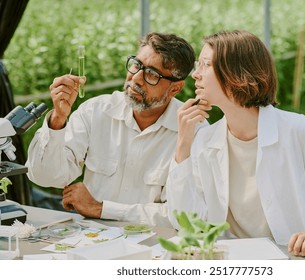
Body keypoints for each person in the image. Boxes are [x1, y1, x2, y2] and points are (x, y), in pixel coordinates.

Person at [166, 30, 305, 256]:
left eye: (206, 64)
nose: (196, 74)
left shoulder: (299, 131)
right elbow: (185, 221)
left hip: (295, 264)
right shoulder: (205, 140)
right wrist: (183, 144)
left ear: (237, 73)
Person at [26, 32, 197, 227]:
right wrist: (58, 119)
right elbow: (44, 176)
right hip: (91, 240)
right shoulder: (96, 111)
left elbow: (182, 215)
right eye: (136, 65)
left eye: (151, 74)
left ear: (175, 88)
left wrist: (101, 209)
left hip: (154, 248)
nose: (136, 79)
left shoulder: (193, 131)